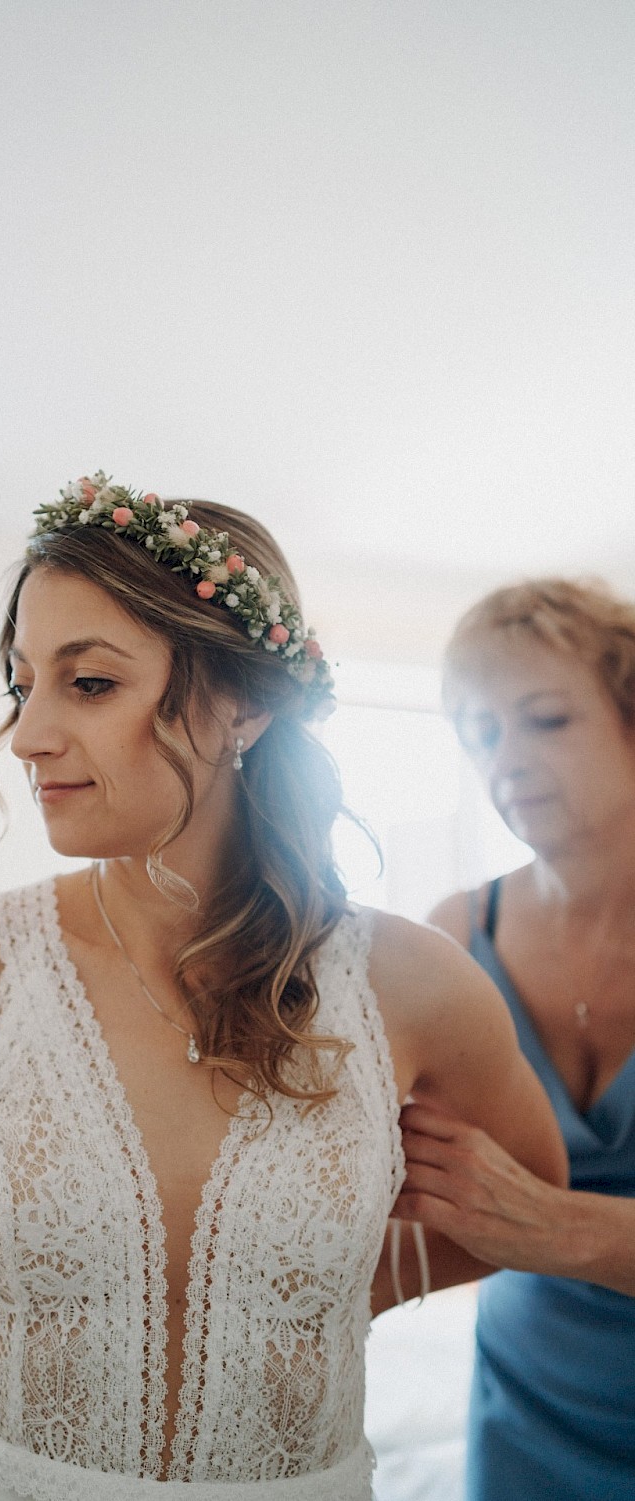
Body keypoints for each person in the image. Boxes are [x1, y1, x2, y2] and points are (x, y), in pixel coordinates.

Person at [0, 475, 564, 1501]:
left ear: (242, 704)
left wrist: (313, 1297)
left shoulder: (412, 984)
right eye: (24, 685)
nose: (27, 736)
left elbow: (520, 1202)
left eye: (89, 684)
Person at [394, 577, 635, 1501]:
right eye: (482, 732)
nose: (510, 761)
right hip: (527, 1416)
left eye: (546, 720)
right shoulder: (456, 931)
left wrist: (556, 1227)